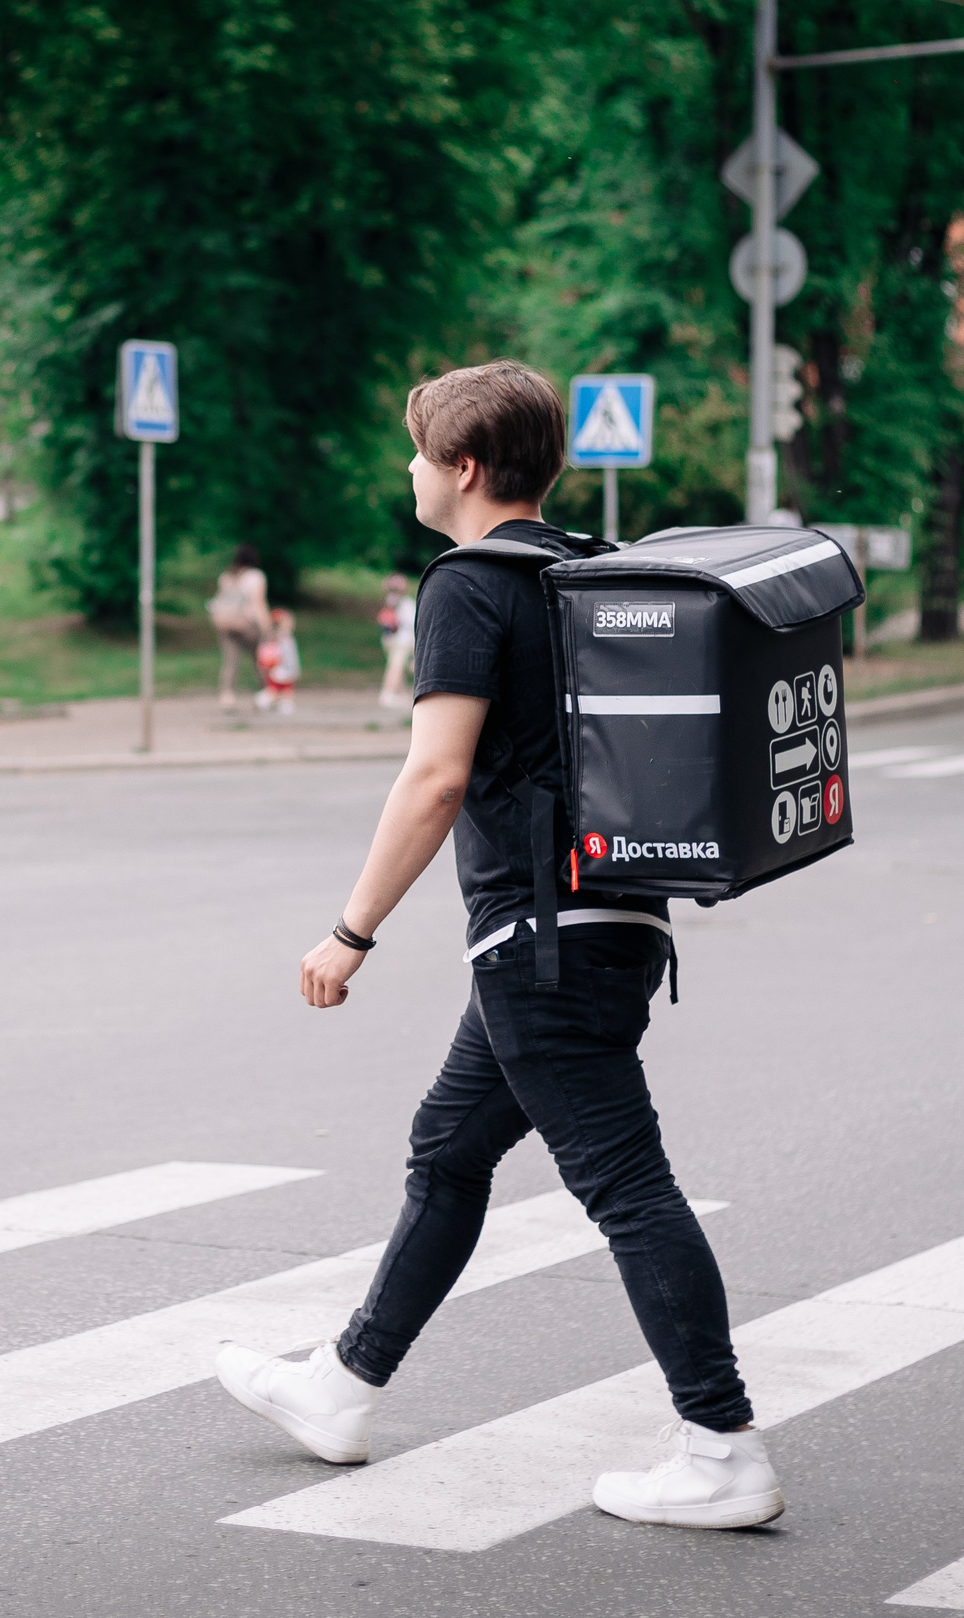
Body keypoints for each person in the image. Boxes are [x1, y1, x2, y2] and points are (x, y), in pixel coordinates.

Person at [212, 359, 782, 1531]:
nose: (408, 471)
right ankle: (343, 1385)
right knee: (448, 1150)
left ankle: (721, 1446)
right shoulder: (577, 570)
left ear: (463, 470)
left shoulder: (467, 586)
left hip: (541, 944)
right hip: (610, 921)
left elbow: (434, 778)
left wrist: (348, 931)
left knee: (627, 1187)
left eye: (418, 454)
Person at [208, 547, 270, 710]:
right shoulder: (256, 577)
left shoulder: (227, 576)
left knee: (230, 661)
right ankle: (264, 693)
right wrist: (267, 627)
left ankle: (227, 696)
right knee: (260, 660)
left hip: (225, 623)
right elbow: (258, 603)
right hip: (248, 624)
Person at [376, 574, 417, 709]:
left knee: (398, 666)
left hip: (389, 639)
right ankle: (388, 693)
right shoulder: (406, 603)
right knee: (396, 667)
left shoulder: (389, 601)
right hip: (402, 640)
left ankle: (399, 693)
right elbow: (411, 623)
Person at [253, 607, 301, 713]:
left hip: (288, 670)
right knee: (273, 690)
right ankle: (262, 700)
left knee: (287, 690)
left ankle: (285, 705)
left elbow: (292, 657)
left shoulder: (289, 638)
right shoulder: (276, 639)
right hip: (277, 669)